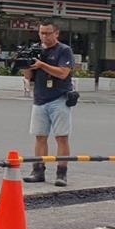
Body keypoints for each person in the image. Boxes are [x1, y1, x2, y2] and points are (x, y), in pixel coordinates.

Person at [22, 21, 75, 187]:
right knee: (39, 137)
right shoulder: (36, 50)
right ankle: (38, 171)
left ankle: (61, 174)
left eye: (48, 33)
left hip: (59, 98)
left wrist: (42, 64)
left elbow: (63, 73)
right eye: (41, 33)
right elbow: (28, 76)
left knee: (61, 137)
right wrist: (26, 63)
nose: (44, 36)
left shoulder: (64, 50)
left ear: (56, 33)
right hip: (39, 98)